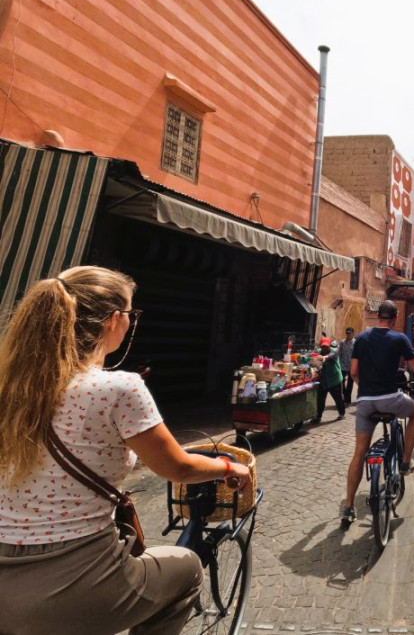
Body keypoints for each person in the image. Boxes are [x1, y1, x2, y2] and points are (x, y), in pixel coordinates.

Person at [0, 266, 250, 635]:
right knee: (187, 569)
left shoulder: (10, 386)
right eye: (131, 315)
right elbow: (177, 468)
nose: (130, 323)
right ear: (115, 319)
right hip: (77, 578)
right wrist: (230, 469)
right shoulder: (117, 388)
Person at [342, 301, 414, 526]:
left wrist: (364, 386)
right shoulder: (400, 338)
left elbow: (353, 372)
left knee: (359, 453)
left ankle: (348, 507)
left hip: (365, 402)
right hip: (391, 399)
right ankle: (406, 462)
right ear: (395, 317)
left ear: (378, 316)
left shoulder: (361, 338)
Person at [314, 337, 345, 422]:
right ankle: (318, 416)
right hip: (323, 380)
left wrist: (323, 357)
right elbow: (314, 356)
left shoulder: (334, 352)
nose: (324, 348)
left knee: (338, 398)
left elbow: (330, 356)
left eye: (326, 347)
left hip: (334, 380)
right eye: (323, 346)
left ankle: (341, 413)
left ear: (329, 346)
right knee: (320, 399)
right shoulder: (319, 351)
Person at [337, 327, 356, 405]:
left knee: (350, 384)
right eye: (347, 333)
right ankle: (345, 396)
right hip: (343, 365)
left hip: (351, 366)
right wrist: (338, 363)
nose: (348, 335)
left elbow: (357, 354)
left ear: (353, 334)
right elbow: (339, 353)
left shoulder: (355, 343)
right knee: (341, 382)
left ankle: (348, 400)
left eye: (349, 333)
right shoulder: (342, 342)